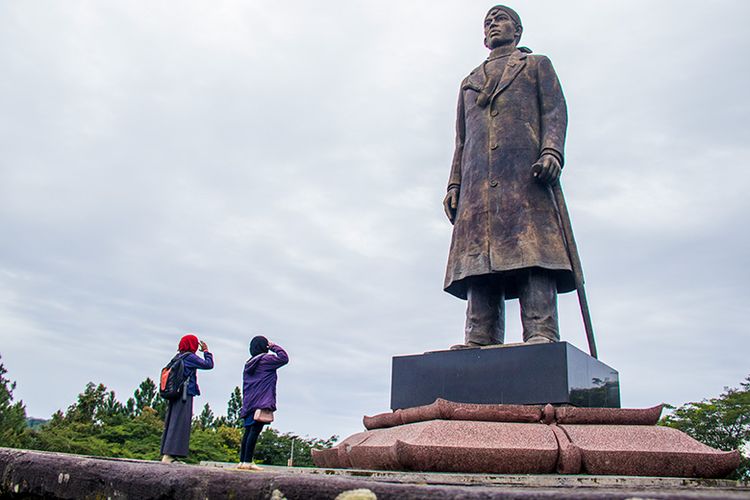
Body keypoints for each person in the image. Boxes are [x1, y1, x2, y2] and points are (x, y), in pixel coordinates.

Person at [443, 5, 574, 348]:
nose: (492, 25)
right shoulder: (469, 82)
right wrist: (455, 183)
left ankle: (540, 331)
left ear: (517, 31)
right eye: (487, 22)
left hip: (524, 177)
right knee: (479, 262)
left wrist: (551, 152)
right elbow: (461, 140)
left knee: (532, 253)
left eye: (500, 19)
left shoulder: (535, 65)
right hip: (477, 186)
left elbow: (554, 111)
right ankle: (479, 337)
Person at [160, 333, 214, 463]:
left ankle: (168, 454)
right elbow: (208, 364)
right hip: (184, 393)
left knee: (172, 422)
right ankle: (170, 456)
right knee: (180, 423)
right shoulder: (190, 357)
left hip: (174, 393)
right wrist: (206, 351)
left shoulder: (177, 357)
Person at [237, 336, 289, 471]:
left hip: (249, 402)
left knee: (248, 431)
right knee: (255, 431)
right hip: (261, 401)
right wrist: (273, 346)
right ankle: (248, 461)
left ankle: (243, 461)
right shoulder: (266, 360)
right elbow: (284, 358)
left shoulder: (249, 363)